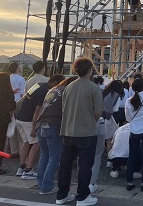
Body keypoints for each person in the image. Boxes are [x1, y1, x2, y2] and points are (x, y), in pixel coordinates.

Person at [56, 58, 104, 206]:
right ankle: (82, 196)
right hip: (87, 131)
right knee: (85, 165)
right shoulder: (93, 87)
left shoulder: (68, 87)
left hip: (68, 129)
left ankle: (61, 194)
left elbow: (64, 108)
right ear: (90, 70)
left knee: (65, 164)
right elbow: (98, 112)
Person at [16, 73, 60, 180]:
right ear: (54, 82)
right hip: (28, 119)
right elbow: (37, 110)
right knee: (37, 143)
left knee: (26, 142)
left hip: (20, 117)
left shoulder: (38, 85)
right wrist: (34, 126)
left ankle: (21, 167)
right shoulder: (45, 91)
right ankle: (29, 170)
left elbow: (24, 98)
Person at [34, 74, 69, 195]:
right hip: (53, 125)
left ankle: (41, 182)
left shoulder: (53, 90)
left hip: (41, 124)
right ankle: (47, 186)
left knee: (44, 155)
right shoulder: (65, 92)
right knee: (54, 157)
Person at [125, 77, 143, 192]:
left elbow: (128, 118)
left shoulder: (129, 101)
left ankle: (129, 181)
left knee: (132, 156)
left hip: (134, 131)